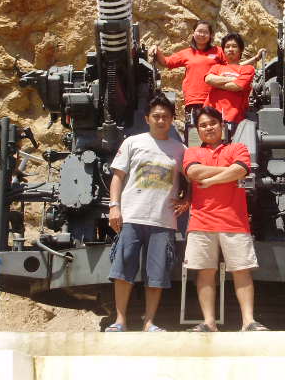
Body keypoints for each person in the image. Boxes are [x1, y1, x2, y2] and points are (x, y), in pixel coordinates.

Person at [105, 95, 189, 332]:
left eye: (165, 117)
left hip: (163, 221)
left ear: (172, 120)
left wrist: (188, 199)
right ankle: (120, 321)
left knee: (157, 274)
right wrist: (114, 206)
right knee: (123, 271)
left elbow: (191, 177)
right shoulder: (133, 142)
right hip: (131, 217)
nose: (161, 120)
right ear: (147, 118)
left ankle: (149, 322)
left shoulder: (181, 149)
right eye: (156, 116)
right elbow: (117, 177)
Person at [182, 106, 268, 332]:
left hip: (234, 221)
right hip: (202, 221)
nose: (208, 128)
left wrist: (210, 180)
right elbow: (193, 173)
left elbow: (241, 170)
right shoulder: (192, 152)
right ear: (197, 130)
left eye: (212, 123)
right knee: (205, 272)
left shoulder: (237, 147)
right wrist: (225, 172)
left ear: (222, 125)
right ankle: (209, 322)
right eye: (203, 125)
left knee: (241, 270)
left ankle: (248, 321)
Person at [151, 20, 227, 128]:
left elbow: (231, 68)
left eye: (205, 32)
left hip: (215, 99)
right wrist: (156, 49)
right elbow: (166, 62)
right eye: (199, 31)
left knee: (215, 131)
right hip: (194, 100)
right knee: (193, 133)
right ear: (193, 33)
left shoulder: (218, 52)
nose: (202, 34)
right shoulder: (187, 53)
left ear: (211, 35)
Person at [204, 33, 264, 133]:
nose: (230, 49)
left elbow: (237, 86)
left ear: (240, 50)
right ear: (223, 51)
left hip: (234, 120)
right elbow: (209, 79)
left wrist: (217, 82)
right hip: (209, 119)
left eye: (234, 46)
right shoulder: (216, 67)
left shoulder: (248, 69)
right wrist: (232, 79)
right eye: (227, 46)